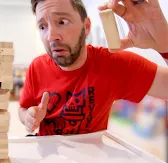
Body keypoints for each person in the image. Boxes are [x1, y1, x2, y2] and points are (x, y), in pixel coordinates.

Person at [19, 0, 168, 136]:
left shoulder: (112, 64)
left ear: (86, 26)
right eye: (42, 26)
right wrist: (28, 117)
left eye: (62, 21)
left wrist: (165, 44)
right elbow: (23, 109)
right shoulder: (36, 67)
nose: (51, 36)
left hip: (91, 160)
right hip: (47, 157)